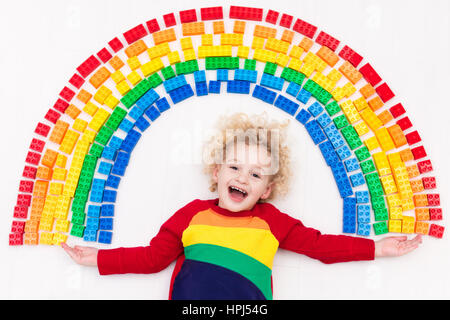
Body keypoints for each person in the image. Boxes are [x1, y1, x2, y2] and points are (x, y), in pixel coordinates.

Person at [62, 112, 422, 300]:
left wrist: (377, 248)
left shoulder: (271, 221)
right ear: (217, 173)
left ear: (267, 189)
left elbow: (321, 246)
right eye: (235, 168)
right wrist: (96, 257)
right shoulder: (192, 214)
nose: (243, 178)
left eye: (256, 174)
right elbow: (152, 257)